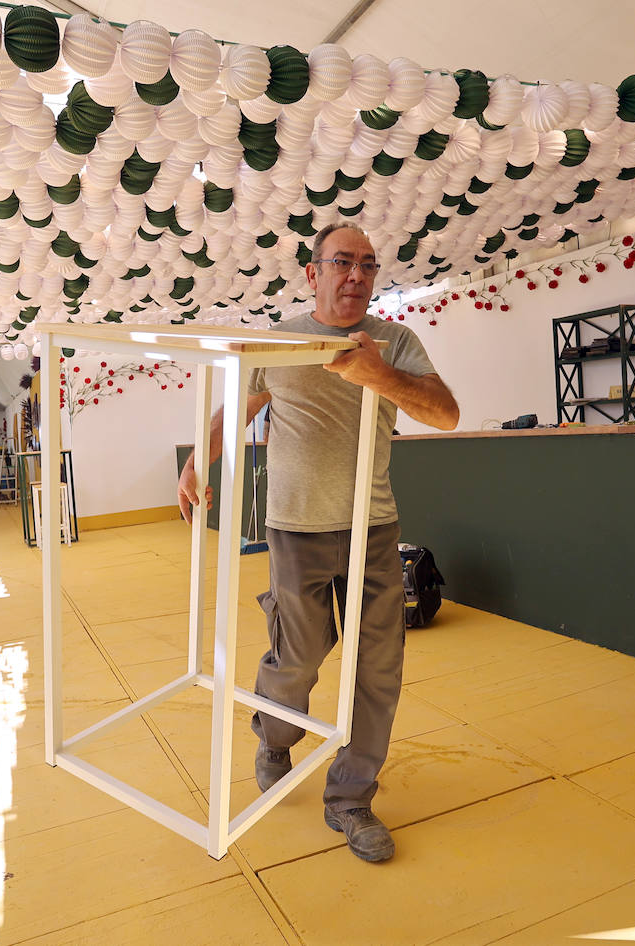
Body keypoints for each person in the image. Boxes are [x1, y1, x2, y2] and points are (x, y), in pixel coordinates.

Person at [176, 223, 459, 863]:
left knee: (378, 667)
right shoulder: (280, 341)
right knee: (299, 654)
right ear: (313, 273)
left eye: (366, 264)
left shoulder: (394, 342)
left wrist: (377, 374)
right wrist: (199, 461)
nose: (355, 275)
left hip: (374, 528)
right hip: (295, 525)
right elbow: (237, 409)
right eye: (341, 262)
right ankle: (275, 736)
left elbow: (445, 413)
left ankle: (351, 799)